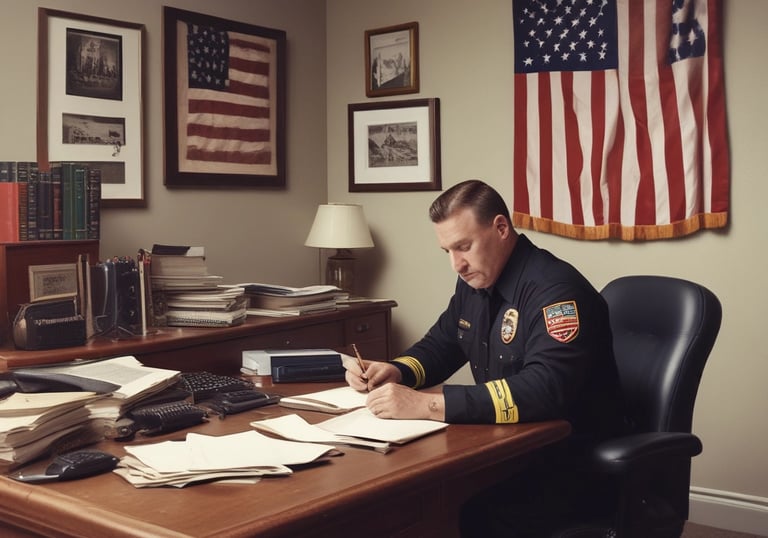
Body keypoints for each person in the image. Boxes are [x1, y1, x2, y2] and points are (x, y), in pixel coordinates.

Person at [344, 179, 626, 536]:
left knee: (454, 511)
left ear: (501, 228)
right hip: (512, 452)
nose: (456, 264)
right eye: (446, 250)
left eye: (464, 246)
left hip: (571, 463)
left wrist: (426, 405)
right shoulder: (476, 282)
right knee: (411, 501)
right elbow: (441, 345)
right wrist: (396, 371)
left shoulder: (556, 291)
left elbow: (545, 390)